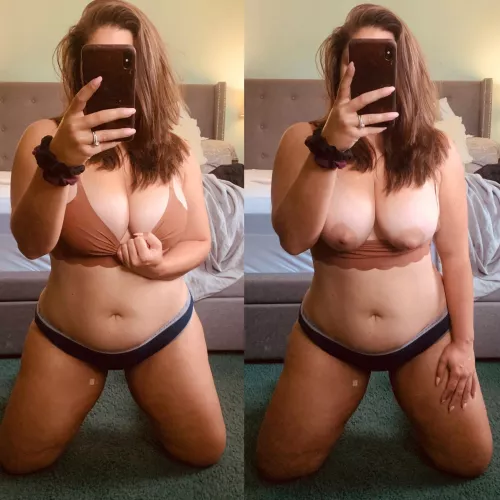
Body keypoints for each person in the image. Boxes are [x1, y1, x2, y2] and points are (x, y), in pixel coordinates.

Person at [256, 3, 492, 482]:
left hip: (425, 334)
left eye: (384, 59)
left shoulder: (438, 149)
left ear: (404, 70)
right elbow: (294, 240)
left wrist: (464, 345)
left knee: (470, 461)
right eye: (356, 61)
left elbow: (455, 257)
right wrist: (330, 149)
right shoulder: (301, 140)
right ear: (340, 70)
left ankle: (416, 401)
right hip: (330, 337)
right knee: (279, 467)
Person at [0, 0, 225, 474]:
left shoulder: (177, 149)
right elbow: (32, 245)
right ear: (77, 70)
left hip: (166, 331)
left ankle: (154, 396)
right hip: (68, 334)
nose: (108, 79)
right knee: (18, 461)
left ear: (147, 70)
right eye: (95, 64)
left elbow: (200, 242)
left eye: (125, 63)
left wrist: (161, 265)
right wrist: (61, 163)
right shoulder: (43, 138)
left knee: (204, 451)